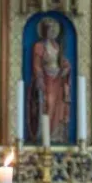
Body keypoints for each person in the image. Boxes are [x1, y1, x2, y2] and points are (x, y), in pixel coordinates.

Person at [27, 16, 71, 144]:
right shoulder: (39, 46)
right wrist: (39, 78)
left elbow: (62, 60)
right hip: (47, 78)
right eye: (49, 30)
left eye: (53, 31)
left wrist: (66, 67)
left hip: (58, 78)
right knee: (49, 103)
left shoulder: (56, 45)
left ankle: (56, 134)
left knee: (59, 104)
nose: (51, 33)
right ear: (44, 31)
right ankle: (46, 134)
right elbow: (36, 64)